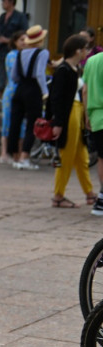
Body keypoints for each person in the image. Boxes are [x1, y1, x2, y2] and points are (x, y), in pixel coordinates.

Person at [48, 35, 93, 209]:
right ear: (77, 50)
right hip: (69, 115)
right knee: (66, 156)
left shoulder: (74, 69)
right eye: (85, 49)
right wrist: (58, 123)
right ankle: (58, 195)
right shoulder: (64, 70)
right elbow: (56, 98)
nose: (87, 52)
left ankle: (89, 192)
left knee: (82, 156)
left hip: (76, 112)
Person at [7, 25, 49, 170]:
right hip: (33, 89)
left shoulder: (20, 53)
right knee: (33, 123)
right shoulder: (42, 53)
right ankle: (25, 156)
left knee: (15, 122)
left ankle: (15, 156)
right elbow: (39, 74)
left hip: (20, 88)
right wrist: (45, 92)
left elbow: (13, 76)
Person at [0, 30, 26, 165]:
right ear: (15, 41)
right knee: (7, 122)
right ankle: (4, 152)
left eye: (26, 39)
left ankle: (19, 152)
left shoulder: (24, 55)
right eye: (21, 39)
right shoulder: (12, 55)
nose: (24, 42)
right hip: (12, 91)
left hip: (21, 92)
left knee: (21, 125)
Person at [0, 0, 29, 92]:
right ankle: (2, 102)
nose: (2, 3)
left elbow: (24, 34)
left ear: (11, 2)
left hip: (13, 51)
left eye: (4, 1)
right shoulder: (2, 17)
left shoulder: (20, 17)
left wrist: (8, 40)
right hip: (0, 51)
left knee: (14, 79)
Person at [86, 37, 103, 215]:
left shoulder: (92, 61)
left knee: (101, 158)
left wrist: (86, 115)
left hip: (97, 116)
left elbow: (85, 90)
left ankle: (102, 198)